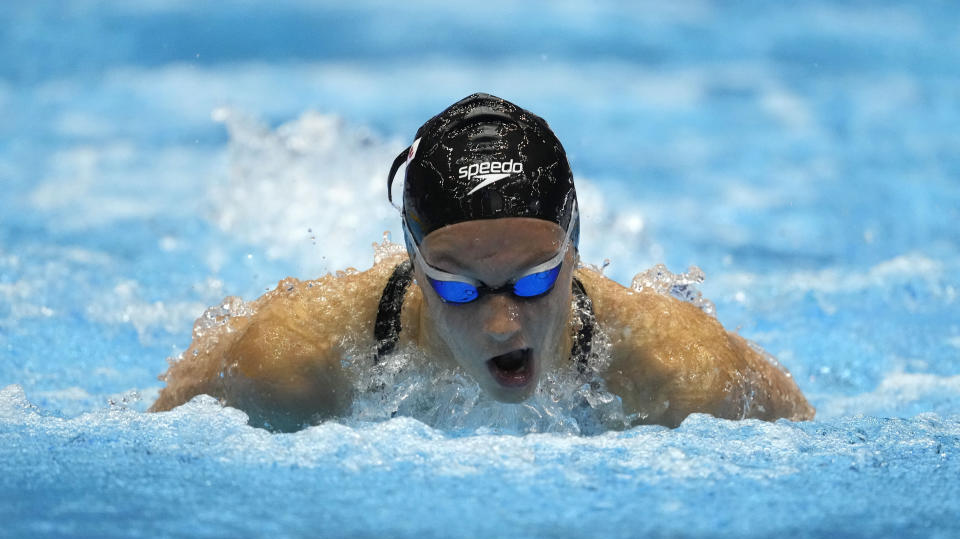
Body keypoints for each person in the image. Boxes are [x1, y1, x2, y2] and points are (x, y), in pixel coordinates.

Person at [150, 93, 814, 430]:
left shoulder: (678, 370)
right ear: (413, 264)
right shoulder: (296, 358)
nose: (503, 324)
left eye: (533, 281)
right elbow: (151, 452)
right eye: (462, 290)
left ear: (573, 248)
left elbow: (815, 449)